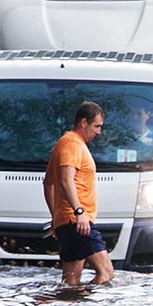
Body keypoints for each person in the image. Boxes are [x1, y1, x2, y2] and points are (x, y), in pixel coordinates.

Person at [44, 102, 113, 288]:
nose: (99, 132)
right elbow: (65, 181)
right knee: (106, 272)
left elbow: (47, 182)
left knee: (71, 282)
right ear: (83, 123)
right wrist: (79, 212)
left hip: (68, 221)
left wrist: (56, 217)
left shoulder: (65, 142)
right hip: (77, 222)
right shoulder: (73, 144)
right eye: (96, 126)